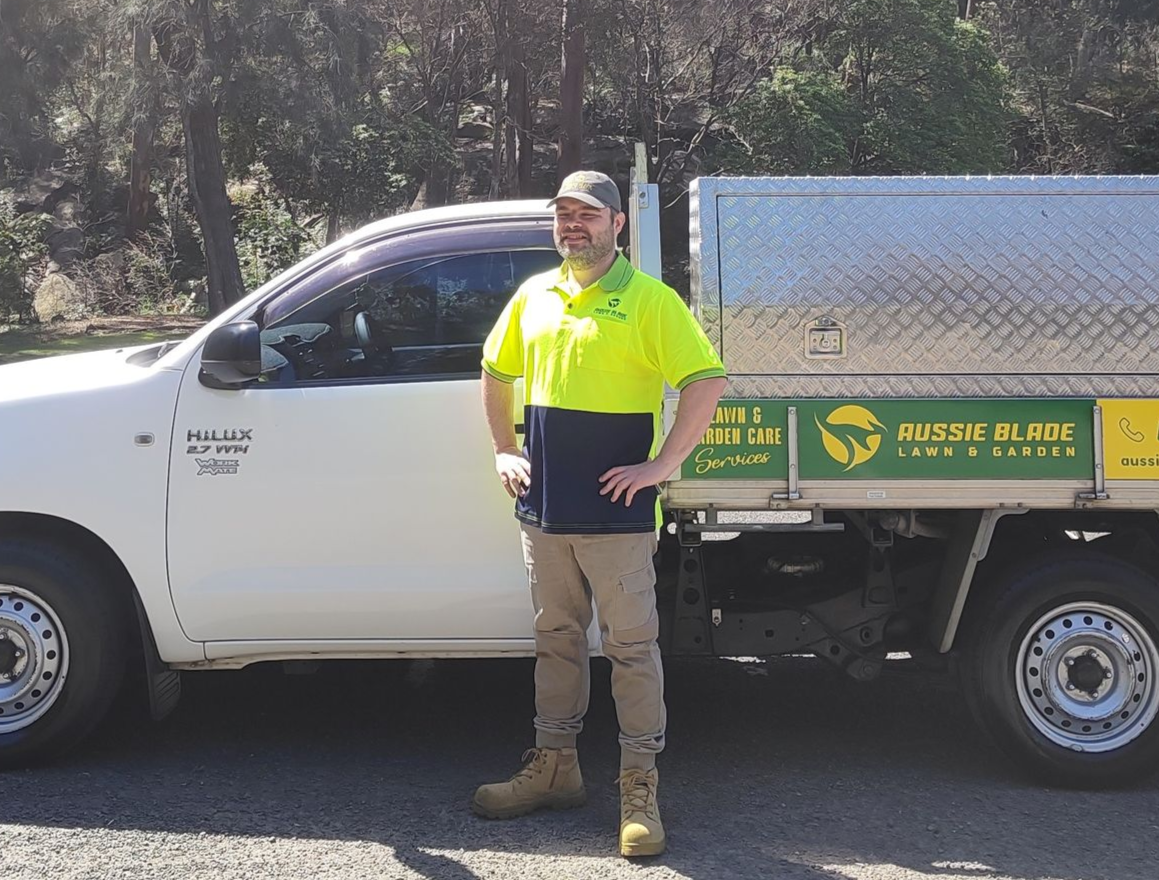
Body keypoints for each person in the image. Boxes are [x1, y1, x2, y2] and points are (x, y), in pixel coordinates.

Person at [473, 170, 727, 858]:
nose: (572, 225)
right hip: (545, 510)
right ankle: (555, 769)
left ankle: (639, 788)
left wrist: (659, 467)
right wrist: (504, 449)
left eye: (586, 214)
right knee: (555, 638)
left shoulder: (650, 300)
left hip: (617, 516)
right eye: (563, 214)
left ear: (617, 224)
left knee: (630, 650)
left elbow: (706, 381)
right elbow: (495, 371)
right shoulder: (535, 295)